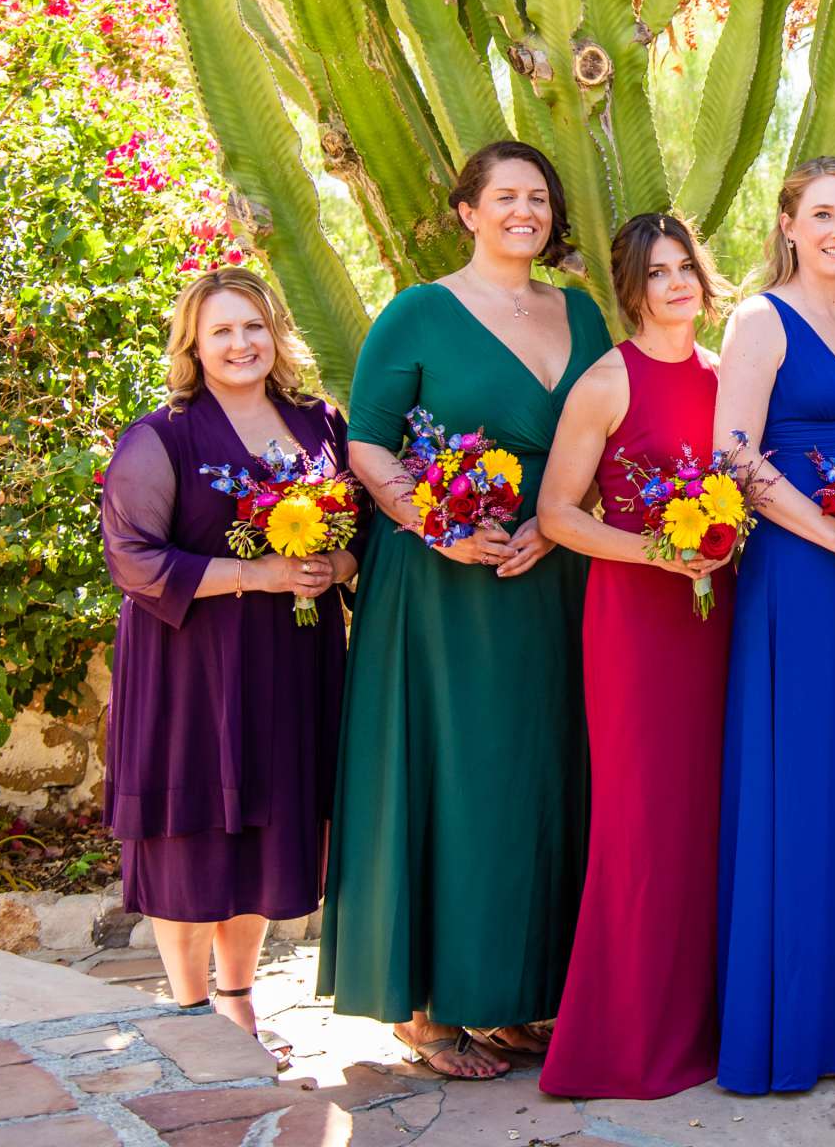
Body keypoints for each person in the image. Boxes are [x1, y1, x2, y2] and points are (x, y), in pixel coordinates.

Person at [321, 141, 612, 1082]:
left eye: (538, 196)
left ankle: (515, 997)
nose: (524, 210)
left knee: (540, 776)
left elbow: (609, 432)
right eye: (505, 196)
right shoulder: (416, 314)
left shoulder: (580, 312)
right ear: (467, 212)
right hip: (444, 583)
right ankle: (428, 1010)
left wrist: (561, 526)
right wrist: (432, 523)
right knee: (455, 776)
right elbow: (368, 446)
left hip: (552, 571)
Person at [100, 269, 355, 1044]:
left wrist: (329, 568)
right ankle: (186, 1006)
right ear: (193, 345)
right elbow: (134, 558)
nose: (241, 344)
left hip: (289, 659)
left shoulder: (321, 425)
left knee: (256, 825)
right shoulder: (163, 436)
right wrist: (260, 574)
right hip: (190, 662)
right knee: (194, 824)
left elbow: (361, 542)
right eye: (221, 331)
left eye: (253, 326)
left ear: (277, 332)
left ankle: (239, 996)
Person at [711, 157, 835, 1095]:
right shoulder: (760, 319)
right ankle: (788, 1028)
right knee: (801, 787)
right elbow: (734, 455)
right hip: (800, 573)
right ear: (787, 223)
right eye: (822, 213)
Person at [534, 214, 736, 1099]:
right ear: (633, 289)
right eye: (657, 274)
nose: (677, 284)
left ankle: (708, 1028)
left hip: (718, 619)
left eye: (685, 267)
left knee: (708, 820)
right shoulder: (607, 381)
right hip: (635, 625)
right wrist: (657, 551)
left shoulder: (731, 376)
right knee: (643, 823)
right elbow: (557, 513)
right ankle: (624, 1040)